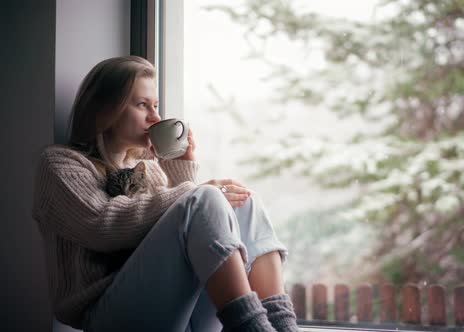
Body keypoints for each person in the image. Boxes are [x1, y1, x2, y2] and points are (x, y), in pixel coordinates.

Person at [32, 55, 298, 332]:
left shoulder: (149, 169)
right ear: (105, 110)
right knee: (208, 196)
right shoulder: (61, 164)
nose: (156, 117)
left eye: (156, 105)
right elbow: (104, 226)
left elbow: (187, 232)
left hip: (169, 307)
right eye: (142, 105)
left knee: (244, 201)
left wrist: (181, 169)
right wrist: (195, 191)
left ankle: (283, 327)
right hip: (106, 314)